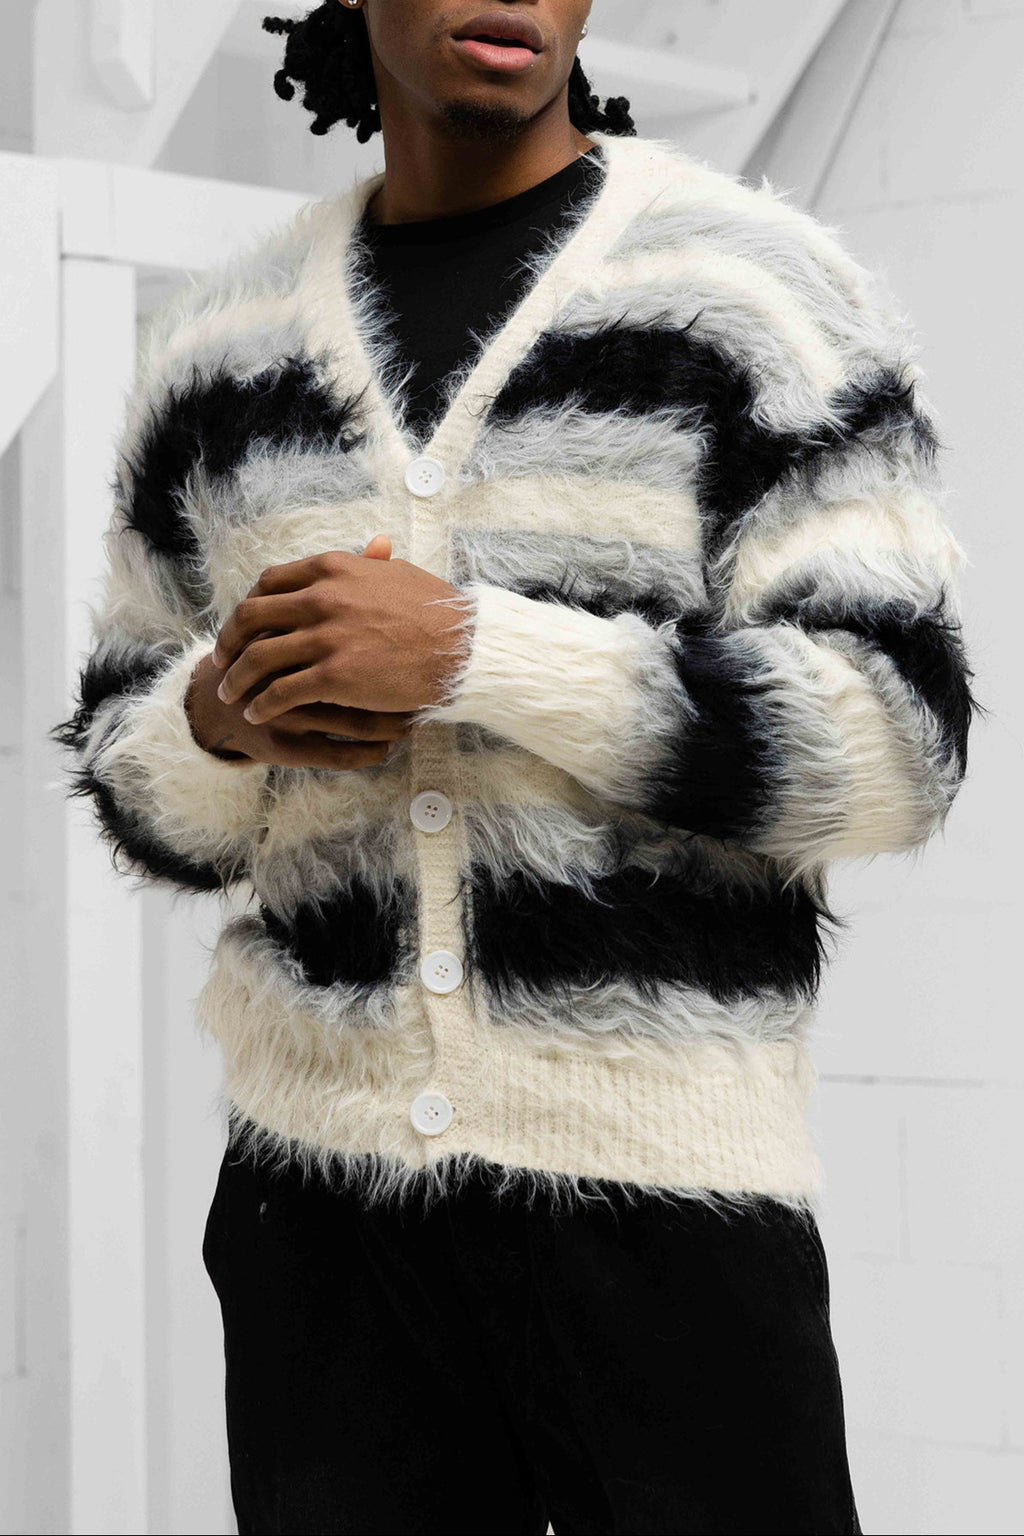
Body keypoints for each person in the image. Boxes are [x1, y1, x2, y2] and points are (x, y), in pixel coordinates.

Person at [53, 3, 980, 1532]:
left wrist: (477, 655)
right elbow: (125, 772)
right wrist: (223, 719)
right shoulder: (216, 352)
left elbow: (894, 735)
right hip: (320, 1228)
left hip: (669, 1215)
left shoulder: (761, 300)